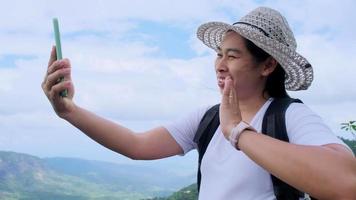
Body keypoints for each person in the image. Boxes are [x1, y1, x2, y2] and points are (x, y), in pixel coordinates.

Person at [42, 6, 356, 200]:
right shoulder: (207, 118)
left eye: (232, 56)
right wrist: (69, 112)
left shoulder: (290, 116)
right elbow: (137, 145)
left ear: (267, 66)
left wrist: (238, 132)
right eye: (219, 53)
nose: (219, 63)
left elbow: (346, 183)